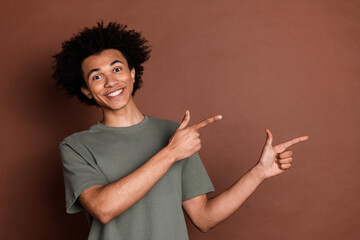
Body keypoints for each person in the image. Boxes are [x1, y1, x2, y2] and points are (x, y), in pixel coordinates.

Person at [53, 21, 309, 240]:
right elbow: (103, 208)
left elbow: (204, 218)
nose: (111, 82)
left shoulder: (174, 133)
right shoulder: (76, 146)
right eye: (97, 77)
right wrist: (171, 153)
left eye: (117, 69)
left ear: (132, 74)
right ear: (86, 90)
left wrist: (259, 173)